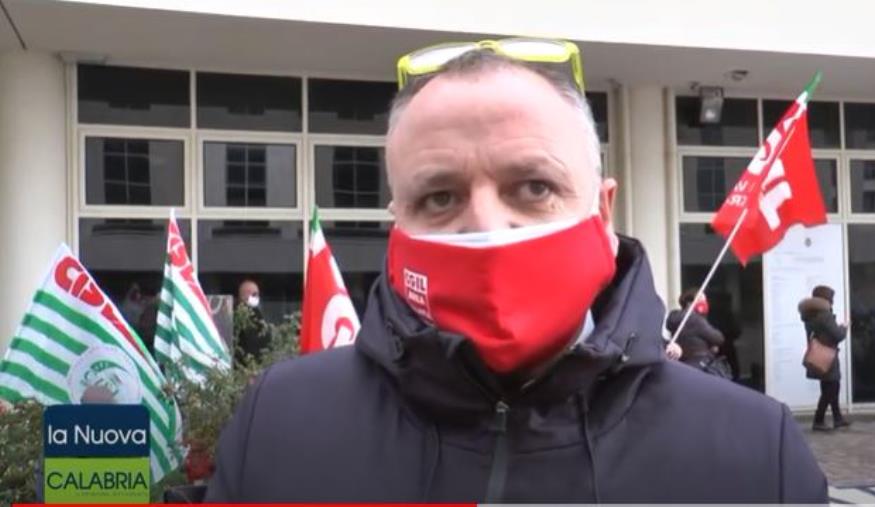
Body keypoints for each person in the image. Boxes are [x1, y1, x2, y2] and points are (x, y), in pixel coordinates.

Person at [204, 39, 827, 503]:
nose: (488, 226)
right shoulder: (280, 427)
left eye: (533, 187)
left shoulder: (752, 454)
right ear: (398, 224)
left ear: (603, 210)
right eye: (440, 197)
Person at [798, 285, 850, 432]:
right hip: (828, 355)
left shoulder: (810, 314)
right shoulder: (824, 315)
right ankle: (819, 420)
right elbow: (838, 335)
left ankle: (837, 418)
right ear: (827, 299)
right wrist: (844, 327)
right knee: (831, 388)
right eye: (831, 298)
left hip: (820, 355)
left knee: (829, 386)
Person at [664, 289, 725, 374]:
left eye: (705, 300)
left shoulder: (675, 317)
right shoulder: (695, 319)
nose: (704, 302)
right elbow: (718, 338)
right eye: (701, 299)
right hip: (700, 363)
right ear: (689, 303)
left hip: (681, 361)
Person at [233, 279, 269, 364]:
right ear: (243, 296)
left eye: (257, 294)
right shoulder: (236, 315)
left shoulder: (258, 314)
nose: (257, 297)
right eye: (254, 294)